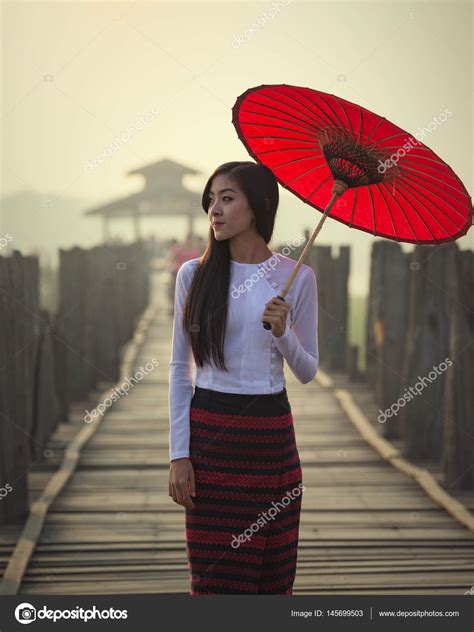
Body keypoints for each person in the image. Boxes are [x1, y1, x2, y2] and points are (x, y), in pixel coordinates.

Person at [168, 161, 319, 595]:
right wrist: (180, 454)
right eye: (211, 200)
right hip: (212, 439)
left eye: (227, 198)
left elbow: (307, 371)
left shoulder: (297, 278)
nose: (214, 209)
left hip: (273, 442)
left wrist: (283, 332)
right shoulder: (193, 276)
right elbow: (182, 369)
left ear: (258, 208)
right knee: (217, 585)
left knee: (271, 585)